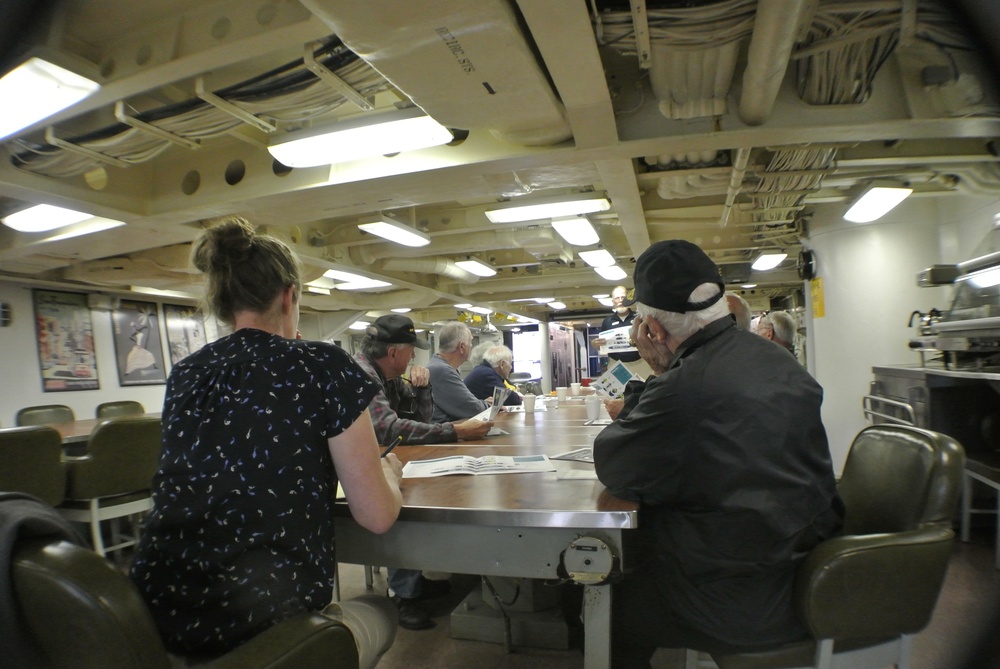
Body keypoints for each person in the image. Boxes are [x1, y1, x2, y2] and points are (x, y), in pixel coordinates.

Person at [130, 218, 403, 669]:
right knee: (379, 610)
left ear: (222, 302)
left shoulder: (187, 373)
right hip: (265, 623)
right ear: (289, 295)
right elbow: (375, 516)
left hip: (159, 617)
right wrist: (389, 474)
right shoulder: (323, 364)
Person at [592, 240, 843, 668]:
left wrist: (661, 373)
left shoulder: (686, 385)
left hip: (742, 597)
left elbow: (615, 464)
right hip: (802, 561)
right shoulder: (777, 360)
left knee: (606, 604)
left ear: (652, 330)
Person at [353, 313, 493, 630]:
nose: (415, 356)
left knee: (420, 488)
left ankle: (412, 578)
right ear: (393, 353)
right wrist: (454, 432)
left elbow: (420, 418)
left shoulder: (387, 375)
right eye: (410, 349)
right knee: (404, 502)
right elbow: (387, 429)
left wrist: (424, 389)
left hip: (378, 460)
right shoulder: (362, 376)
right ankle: (404, 595)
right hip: (348, 472)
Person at [428, 321, 491, 422]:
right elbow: (472, 409)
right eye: (470, 342)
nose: (471, 346)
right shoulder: (442, 370)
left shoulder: (439, 367)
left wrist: (481, 403)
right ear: (462, 347)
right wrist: (489, 405)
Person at [590, 285, 640, 365]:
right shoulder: (607, 321)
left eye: (623, 297)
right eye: (617, 298)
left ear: (628, 298)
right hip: (616, 364)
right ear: (613, 301)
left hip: (640, 362)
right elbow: (603, 345)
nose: (620, 300)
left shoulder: (639, 317)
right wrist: (595, 344)